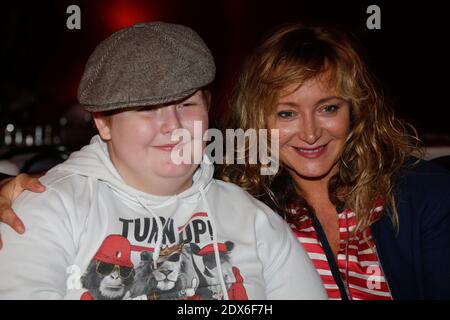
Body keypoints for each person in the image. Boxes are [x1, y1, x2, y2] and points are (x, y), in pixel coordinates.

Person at [0, 22, 326, 300]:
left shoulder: (255, 220)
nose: (174, 126)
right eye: (147, 108)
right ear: (103, 122)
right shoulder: (49, 207)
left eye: (187, 104)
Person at [218, 23, 450, 299]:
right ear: (258, 123)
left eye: (328, 108)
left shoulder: (427, 195)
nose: (311, 133)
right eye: (287, 114)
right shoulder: (242, 215)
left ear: (355, 111)